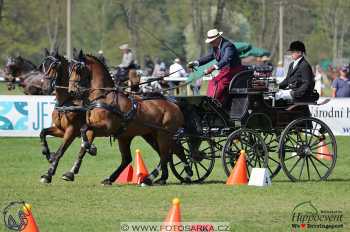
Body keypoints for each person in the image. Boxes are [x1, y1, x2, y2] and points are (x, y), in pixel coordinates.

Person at [187, 29, 244, 104]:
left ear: (218, 38)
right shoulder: (215, 46)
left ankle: (213, 102)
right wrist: (195, 63)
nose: (210, 43)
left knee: (217, 83)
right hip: (225, 71)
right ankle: (213, 102)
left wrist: (213, 67)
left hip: (233, 70)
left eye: (212, 41)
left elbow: (225, 59)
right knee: (213, 82)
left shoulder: (228, 46)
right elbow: (209, 57)